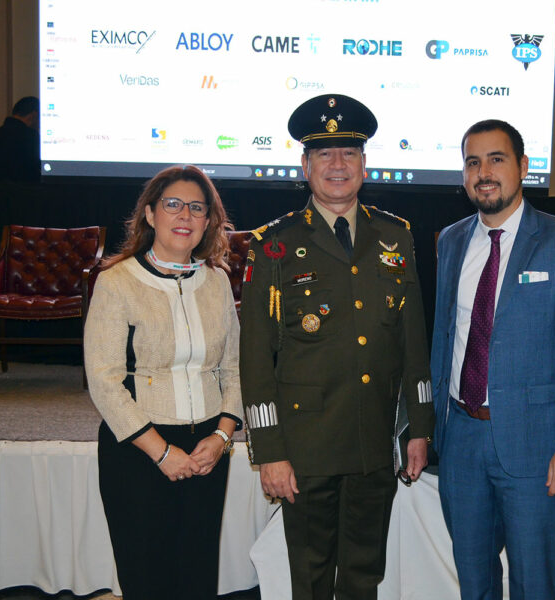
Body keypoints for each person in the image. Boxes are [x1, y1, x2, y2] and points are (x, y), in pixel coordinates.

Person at [239, 94, 435, 599]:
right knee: (308, 575)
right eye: (324, 155)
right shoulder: (274, 245)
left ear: (365, 165)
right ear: (305, 167)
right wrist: (270, 451)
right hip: (307, 445)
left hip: (374, 439)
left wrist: (419, 426)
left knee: (363, 575)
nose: (338, 165)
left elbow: (413, 340)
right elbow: (256, 358)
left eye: (348, 153)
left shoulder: (397, 237)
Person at [430, 120, 555, 600]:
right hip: (462, 440)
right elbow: (444, 341)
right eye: (472, 162)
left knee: (536, 583)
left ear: (524, 167)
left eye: (497, 159)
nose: (484, 172)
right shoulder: (449, 242)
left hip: (537, 445)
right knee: (474, 578)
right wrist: (431, 429)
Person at [84, 165, 243, 600]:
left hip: (208, 449)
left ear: (209, 221)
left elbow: (234, 369)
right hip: (139, 451)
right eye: (173, 204)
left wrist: (222, 437)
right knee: (148, 579)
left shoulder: (216, 281)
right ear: (150, 214)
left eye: (197, 207)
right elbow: (104, 381)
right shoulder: (116, 283)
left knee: (196, 577)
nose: (185, 215)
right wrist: (162, 452)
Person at [0, 96, 40, 183]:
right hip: (28, 193)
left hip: (1, 193)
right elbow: (35, 170)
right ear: (34, 115)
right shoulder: (30, 135)